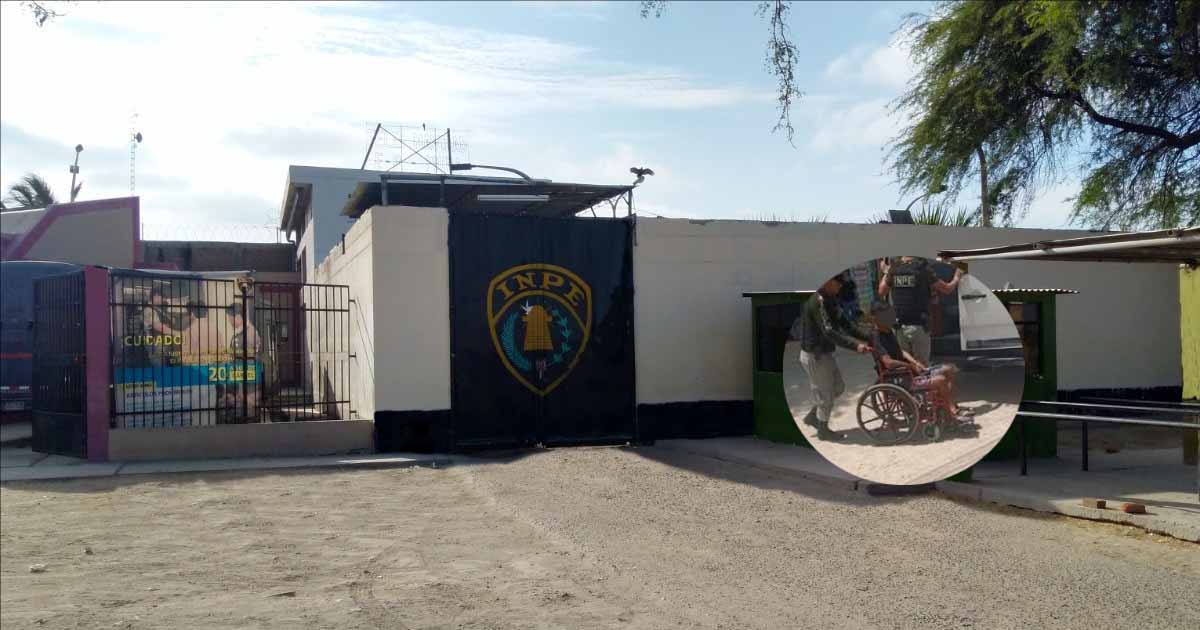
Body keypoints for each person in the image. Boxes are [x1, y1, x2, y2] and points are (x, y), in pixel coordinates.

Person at [792, 274, 872, 441]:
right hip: (815, 356)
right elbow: (829, 332)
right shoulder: (817, 300)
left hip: (824, 353)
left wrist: (867, 337)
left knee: (838, 387)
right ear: (828, 281)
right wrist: (855, 346)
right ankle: (823, 430)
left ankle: (813, 417)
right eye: (838, 283)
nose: (840, 286)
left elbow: (845, 324)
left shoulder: (830, 299)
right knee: (825, 395)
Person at [868, 302, 971, 418]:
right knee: (941, 380)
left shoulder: (888, 331)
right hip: (900, 378)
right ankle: (951, 412)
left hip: (909, 372)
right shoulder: (876, 337)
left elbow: (901, 351)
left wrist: (915, 362)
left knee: (949, 369)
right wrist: (909, 366)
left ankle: (950, 406)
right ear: (876, 318)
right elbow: (888, 363)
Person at [877, 256, 964, 365]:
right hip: (918, 326)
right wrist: (957, 276)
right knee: (922, 367)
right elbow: (947, 289)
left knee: (905, 367)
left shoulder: (894, 269)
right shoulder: (923, 269)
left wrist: (886, 272)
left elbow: (881, 291)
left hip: (899, 328)